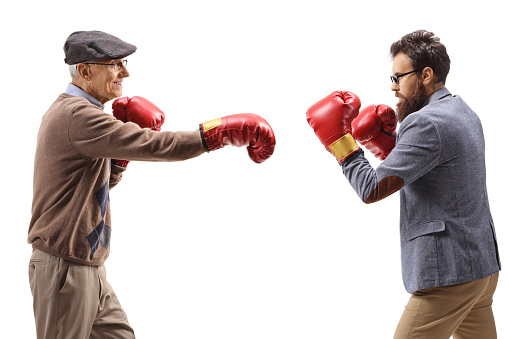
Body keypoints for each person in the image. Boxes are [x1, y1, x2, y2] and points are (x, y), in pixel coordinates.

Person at [27, 30, 276, 339]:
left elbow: (92, 188)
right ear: (85, 70)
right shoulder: (77, 115)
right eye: (115, 63)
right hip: (64, 267)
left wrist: (118, 161)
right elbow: (156, 145)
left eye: (124, 62)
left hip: (87, 266)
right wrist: (219, 132)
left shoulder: (82, 115)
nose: (125, 72)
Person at [306, 30, 501, 338]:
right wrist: (389, 145)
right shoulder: (462, 110)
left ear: (426, 74)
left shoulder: (424, 122)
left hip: (448, 276)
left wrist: (339, 141)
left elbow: (371, 189)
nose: (393, 87)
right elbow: (437, 166)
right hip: (481, 268)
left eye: (399, 78)